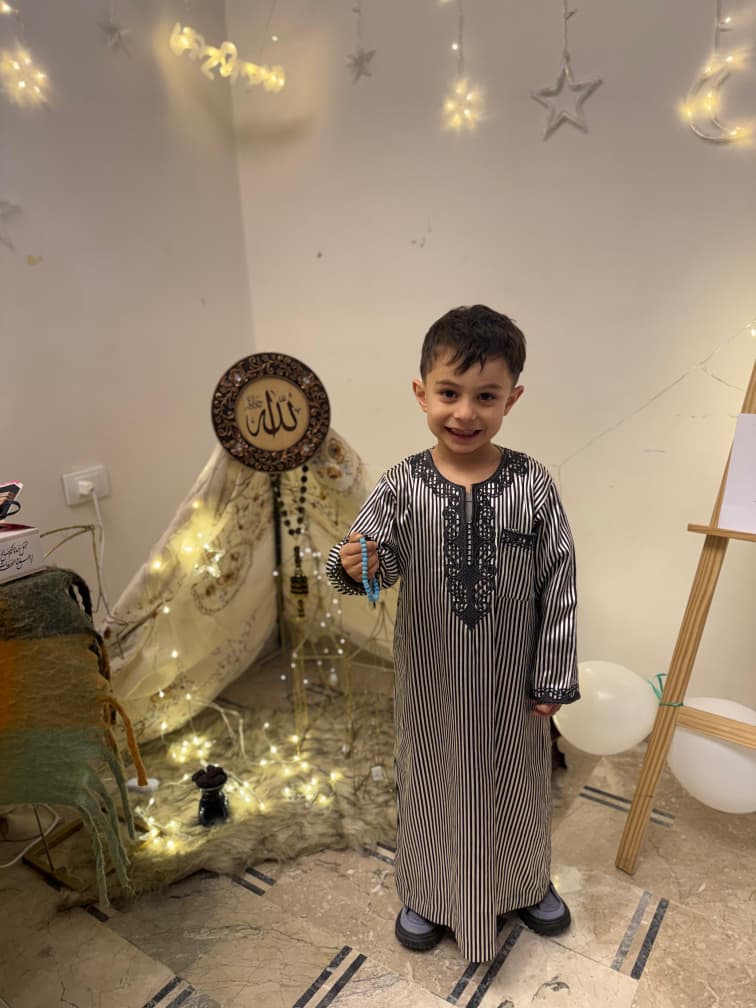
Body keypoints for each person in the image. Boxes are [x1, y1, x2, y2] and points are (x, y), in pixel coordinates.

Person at [325, 304, 579, 963]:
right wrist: (357, 564)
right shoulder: (402, 486)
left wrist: (552, 674)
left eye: (485, 396)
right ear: (421, 393)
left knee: (517, 783)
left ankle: (523, 882)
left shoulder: (533, 485)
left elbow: (559, 581)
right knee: (431, 784)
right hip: (432, 682)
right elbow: (373, 563)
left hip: (510, 686)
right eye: (449, 393)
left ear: (511, 399)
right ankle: (428, 892)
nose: (465, 413)